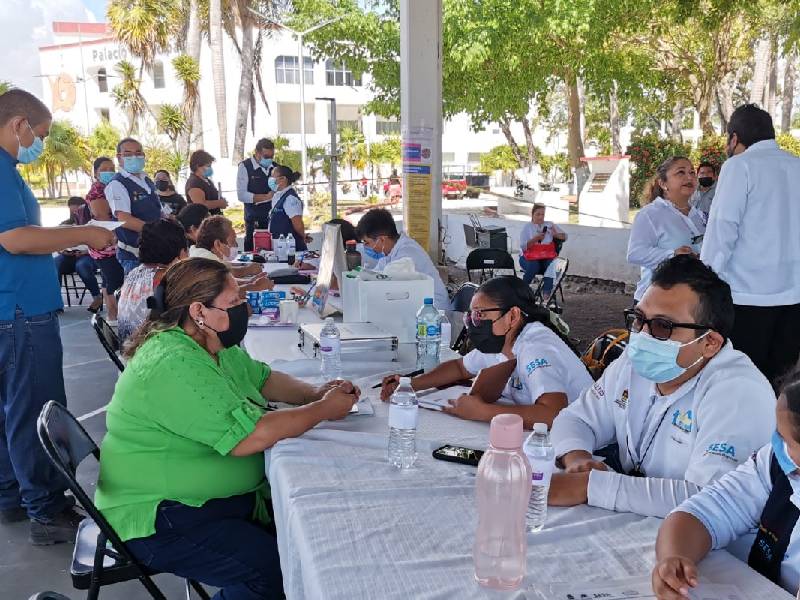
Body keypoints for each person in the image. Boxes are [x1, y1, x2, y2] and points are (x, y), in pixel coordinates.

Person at [96, 257, 360, 599]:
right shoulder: (173, 362)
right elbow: (250, 437)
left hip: (202, 502)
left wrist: (313, 393)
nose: (244, 306)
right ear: (198, 311)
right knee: (276, 571)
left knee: (310, 538)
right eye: (234, 301)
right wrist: (322, 409)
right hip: (160, 517)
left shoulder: (208, 341)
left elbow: (263, 379)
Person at [547, 255, 775, 518]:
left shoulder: (739, 393)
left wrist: (593, 487)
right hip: (638, 518)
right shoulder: (634, 363)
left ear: (710, 342)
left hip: (713, 549)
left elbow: (712, 498)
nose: (642, 335)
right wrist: (577, 460)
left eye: (662, 326)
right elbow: (576, 418)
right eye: (639, 318)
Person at [0, 88, 115, 544]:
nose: (39, 144)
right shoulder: (2, 171)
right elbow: (13, 239)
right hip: (22, 310)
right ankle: (46, 507)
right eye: (39, 134)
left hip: (14, 306)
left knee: (11, 411)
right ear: (17, 125)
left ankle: (12, 494)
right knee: (34, 411)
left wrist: (63, 236)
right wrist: (86, 231)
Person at [652, 368, 800, 599]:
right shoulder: (777, 464)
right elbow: (706, 511)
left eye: (785, 440)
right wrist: (674, 560)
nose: (775, 445)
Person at [380, 276, 592, 429]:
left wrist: (484, 412)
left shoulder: (537, 348)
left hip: (585, 444)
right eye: (471, 317)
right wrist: (408, 385)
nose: (474, 323)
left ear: (513, 316)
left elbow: (552, 414)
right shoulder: (502, 338)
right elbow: (459, 368)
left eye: (480, 315)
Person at [701, 104, 800, 386]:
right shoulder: (796, 165)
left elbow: (722, 232)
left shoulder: (739, 166)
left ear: (734, 138)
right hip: (794, 299)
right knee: (780, 381)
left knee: (742, 381)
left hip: (748, 300)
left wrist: (705, 285)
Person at [627, 156, 705, 305]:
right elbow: (634, 253)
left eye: (692, 172)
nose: (689, 177)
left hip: (692, 301)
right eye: (681, 173)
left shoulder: (699, 216)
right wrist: (672, 255)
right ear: (663, 183)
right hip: (656, 302)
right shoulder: (650, 214)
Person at [356, 208, 449, 309]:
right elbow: (375, 277)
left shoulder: (406, 254)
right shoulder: (389, 253)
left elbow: (388, 290)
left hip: (434, 311)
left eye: (367, 242)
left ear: (382, 239)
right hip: (416, 306)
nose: (366, 247)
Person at [105, 137, 169, 276]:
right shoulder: (117, 184)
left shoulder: (146, 179)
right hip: (135, 255)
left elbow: (157, 208)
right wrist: (156, 232)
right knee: (139, 296)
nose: (134, 157)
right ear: (119, 157)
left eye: (138, 153)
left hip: (156, 250)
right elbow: (124, 219)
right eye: (128, 154)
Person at [118, 219, 188, 342]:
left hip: (128, 349)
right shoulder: (167, 278)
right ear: (182, 253)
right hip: (151, 351)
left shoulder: (134, 272)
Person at [85, 156, 124, 324]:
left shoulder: (110, 188)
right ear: (96, 173)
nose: (109, 172)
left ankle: (112, 315)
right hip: (106, 245)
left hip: (111, 244)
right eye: (104, 169)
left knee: (109, 280)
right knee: (114, 280)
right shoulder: (97, 192)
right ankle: (114, 315)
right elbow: (103, 217)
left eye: (111, 168)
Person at [189, 215, 273, 293]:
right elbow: (223, 293)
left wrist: (250, 281)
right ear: (218, 244)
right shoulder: (206, 261)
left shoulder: (201, 253)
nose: (236, 246)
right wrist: (255, 287)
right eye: (233, 242)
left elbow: (225, 281)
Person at [54, 197, 103, 313]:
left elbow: (103, 245)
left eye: (78, 210)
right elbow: (57, 242)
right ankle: (55, 302)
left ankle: (97, 297)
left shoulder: (94, 224)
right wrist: (62, 250)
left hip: (89, 255)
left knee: (82, 266)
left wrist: (85, 251)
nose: (75, 213)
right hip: (69, 256)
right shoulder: (66, 224)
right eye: (73, 211)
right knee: (54, 264)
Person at [518, 203, 567, 295]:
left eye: (543, 214)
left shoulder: (549, 225)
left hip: (545, 256)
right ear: (532, 214)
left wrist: (555, 234)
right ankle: (522, 290)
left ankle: (546, 295)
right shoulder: (527, 227)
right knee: (534, 266)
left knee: (551, 265)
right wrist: (535, 239)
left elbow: (565, 237)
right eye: (538, 214)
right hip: (528, 257)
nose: (541, 217)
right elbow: (523, 246)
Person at [237, 138, 276, 252]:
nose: (269, 159)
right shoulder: (245, 167)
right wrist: (266, 197)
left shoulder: (275, 167)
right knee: (253, 253)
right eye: (266, 156)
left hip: (273, 219)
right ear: (257, 153)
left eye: (271, 156)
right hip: (254, 220)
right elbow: (242, 195)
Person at [268, 164, 307, 251]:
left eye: (272, 176)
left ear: (283, 179)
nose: (270, 180)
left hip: (291, 247)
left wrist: (303, 236)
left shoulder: (290, 198)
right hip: (281, 246)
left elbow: (298, 224)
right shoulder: (278, 196)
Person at [185, 149, 227, 216]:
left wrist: (221, 201)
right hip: (202, 222)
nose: (210, 168)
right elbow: (201, 204)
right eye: (208, 166)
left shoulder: (207, 180)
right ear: (197, 166)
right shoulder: (194, 183)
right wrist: (219, 203)